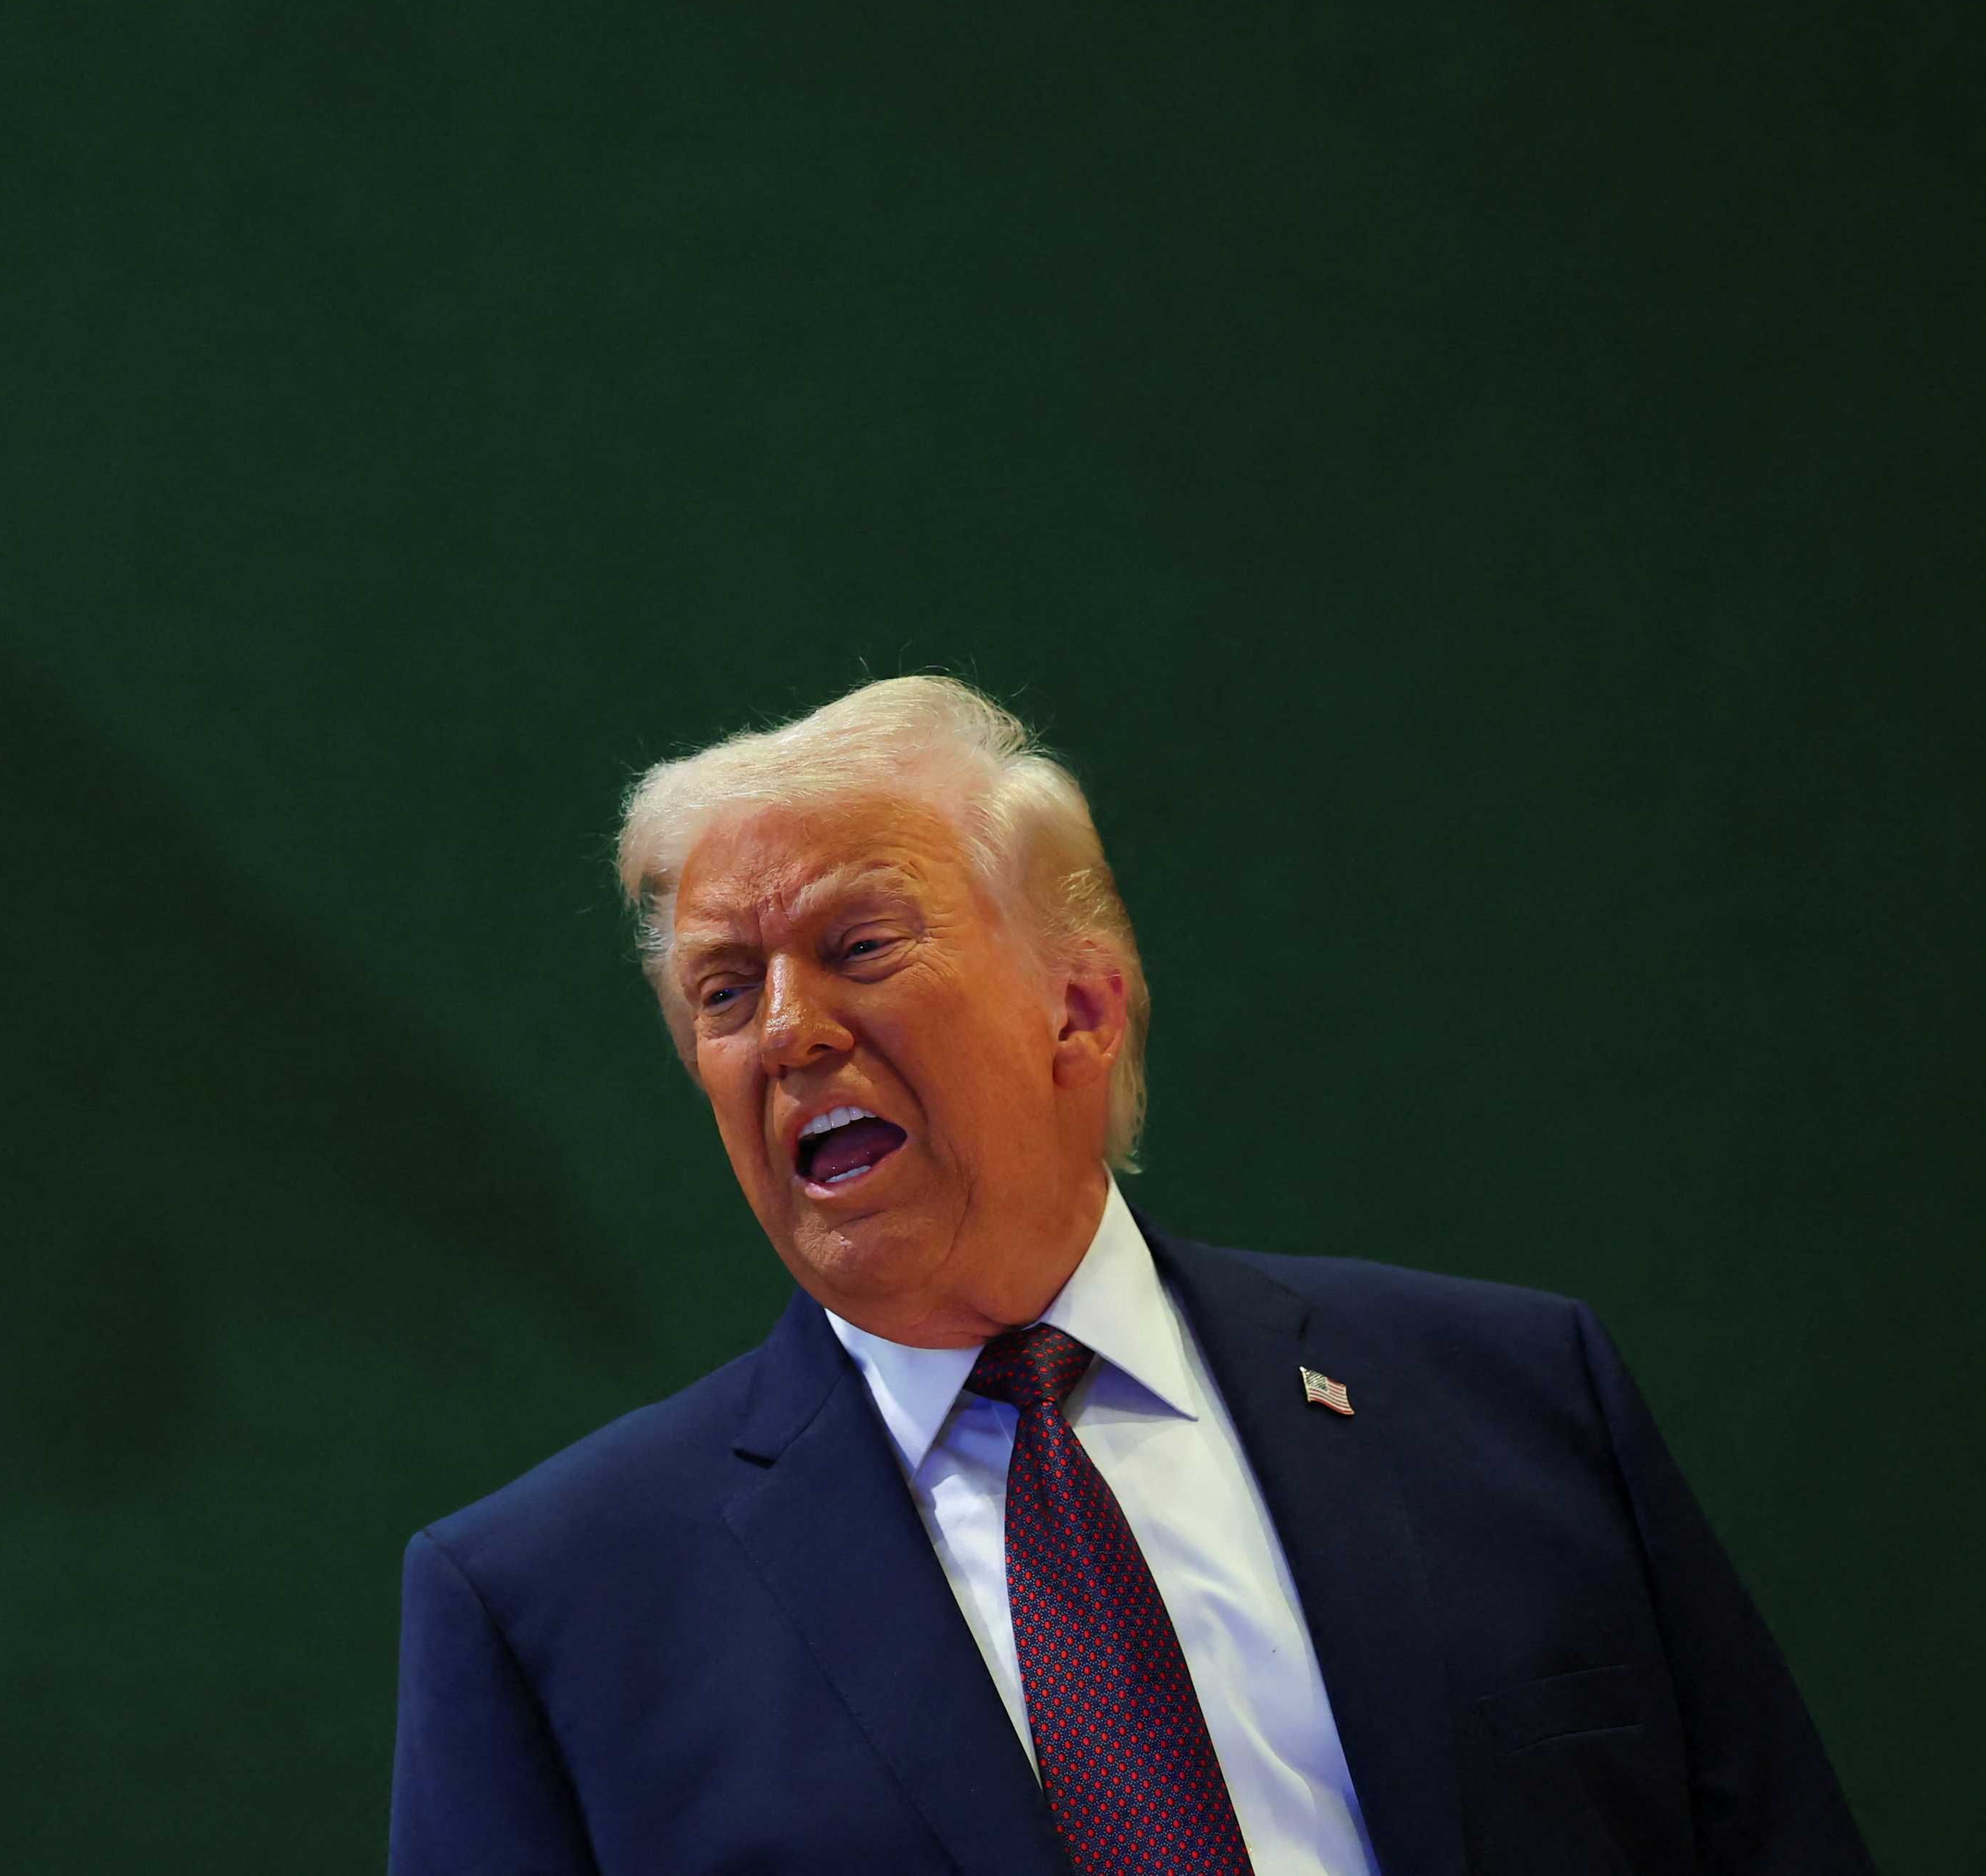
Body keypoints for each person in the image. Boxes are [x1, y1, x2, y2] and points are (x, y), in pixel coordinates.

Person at [386, 677, 1866, 1875]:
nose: (786, 1031)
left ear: (1080, 1008)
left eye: (859, 943)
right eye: (725, 988)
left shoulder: (1518, 1402)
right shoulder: (553, 1610)